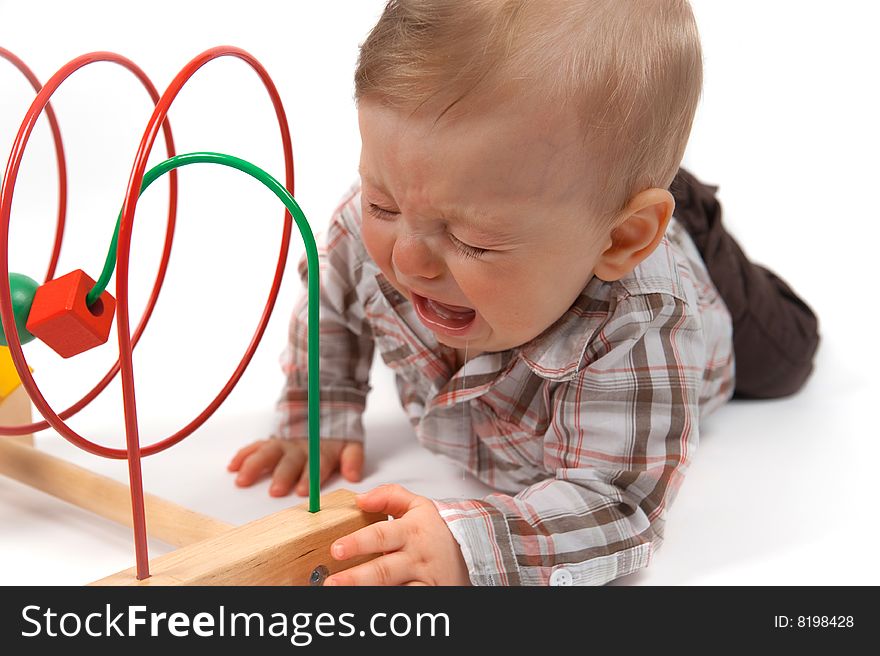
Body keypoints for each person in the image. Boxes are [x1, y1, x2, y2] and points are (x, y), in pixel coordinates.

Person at [228, 0, 819, 585]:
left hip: (717, 299)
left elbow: (618, 505)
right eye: (384, 202)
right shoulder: (378, 229)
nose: (405, 259)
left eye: (473, 241)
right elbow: (334, 298)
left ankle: (685, 208)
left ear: (622, 239)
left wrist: (470, 547)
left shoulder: (640, 322)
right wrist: (320, 411)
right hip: (582, 205)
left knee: (789, 358)